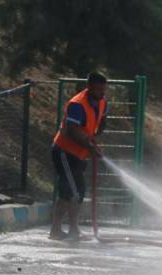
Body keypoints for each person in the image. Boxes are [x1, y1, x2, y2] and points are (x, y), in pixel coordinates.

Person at [50, 72, 109, 240]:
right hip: (64, 152)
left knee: (79, 192)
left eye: (103, 89)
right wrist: (89, 146)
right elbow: (72, 131)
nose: (101, 93)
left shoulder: (102, 102)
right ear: (89, 87)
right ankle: (56, 230)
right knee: (70, 192)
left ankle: (73, 230)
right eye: (97, 89)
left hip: (79, 154)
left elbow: (102, 121)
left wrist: (94, 139)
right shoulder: (77, 104)